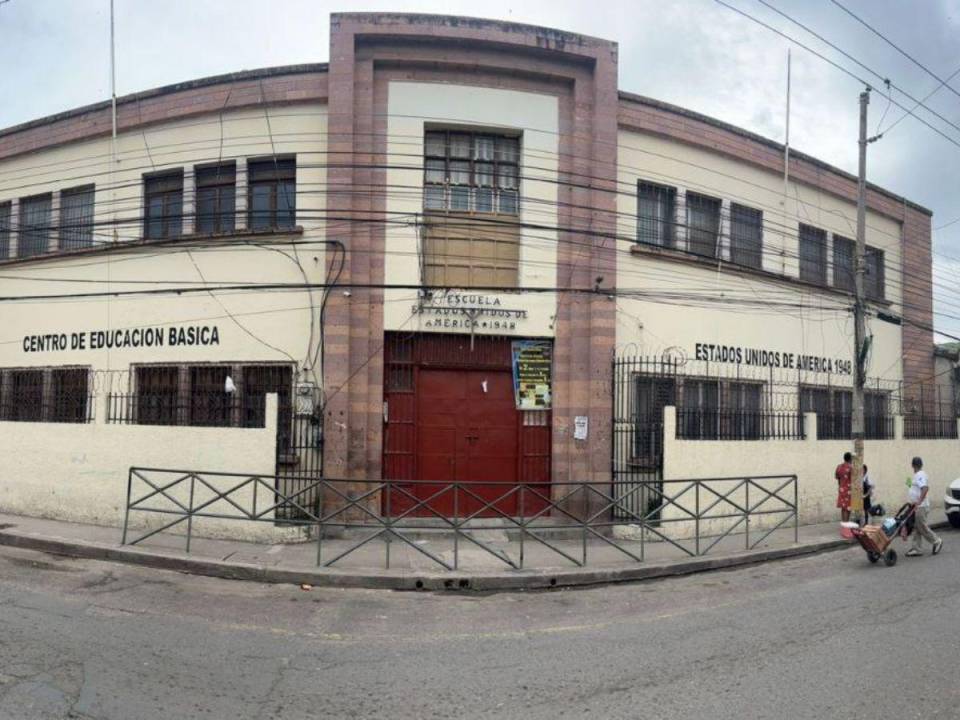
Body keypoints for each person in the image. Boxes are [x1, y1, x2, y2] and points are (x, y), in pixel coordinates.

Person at [905, 456, 943, 557]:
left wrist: (918, 502)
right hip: (918, 505)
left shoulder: (920, 475)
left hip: (921, 506)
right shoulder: (917, 475)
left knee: (921, 526)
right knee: (917, 527)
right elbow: (917, 488)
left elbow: (925, 488)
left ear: (913, 465)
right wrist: (909, 485)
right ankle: (917, 548)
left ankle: (936, 541)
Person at [835, 452, 852, 523]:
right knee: (848, 508)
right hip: (848, 490)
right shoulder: (851, 467)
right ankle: (846, 524)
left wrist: (841, 484)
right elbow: (853, 479)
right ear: (850, 459)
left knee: (843, 507)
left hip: (841, 489)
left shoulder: (839, 467)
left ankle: (843, 523)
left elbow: (836, 477)